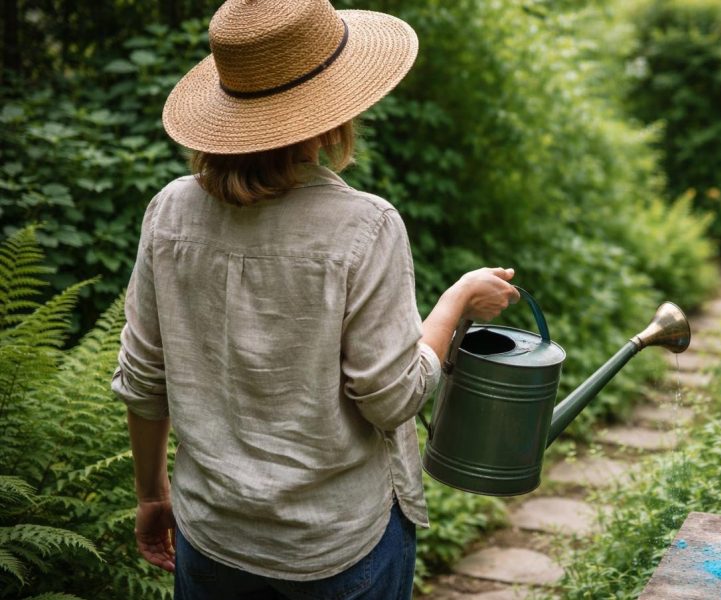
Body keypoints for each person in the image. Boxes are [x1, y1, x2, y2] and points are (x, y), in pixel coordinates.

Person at [111, 1, 520, 598]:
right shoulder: (364, 226)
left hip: (212, 536)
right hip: (335, 547)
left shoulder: (170, 212)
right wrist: (454, 302)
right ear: (332, 111)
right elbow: (392, 398)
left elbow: (145, 379)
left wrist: (151, 496)